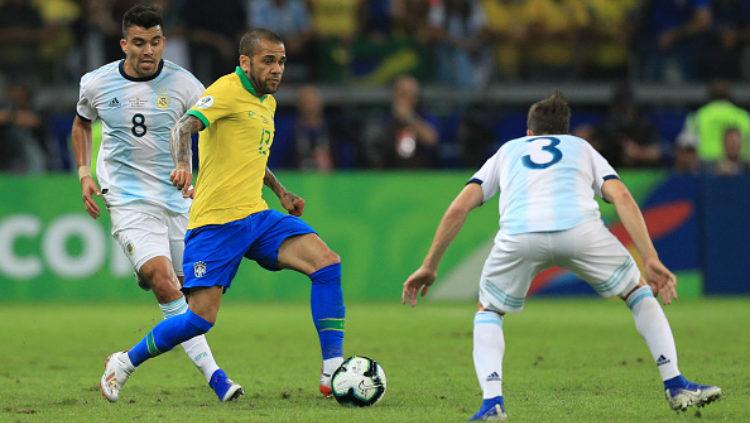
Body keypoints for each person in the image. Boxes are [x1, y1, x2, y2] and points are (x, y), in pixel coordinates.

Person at [402, 91, 721, 421]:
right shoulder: (581, 148)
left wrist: (430, 265)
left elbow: (459, 207)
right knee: (637, 291)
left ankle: (492, 403)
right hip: (580, 231)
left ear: (529, 133)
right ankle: (675, 383)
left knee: (490, 311)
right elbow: (621, 195)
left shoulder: (508, 151)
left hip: (520, 235)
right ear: (566, 133)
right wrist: (650, 256)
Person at [98, 28, 346, 402]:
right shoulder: (226, 90)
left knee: (327, 265)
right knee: (200, 319)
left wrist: (281, 193)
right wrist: (183, 164)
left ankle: (333, 373)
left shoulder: (268, 103)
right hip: (216, 222)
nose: (277, 69)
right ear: (245, 61)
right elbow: (185, 126)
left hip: (258, 217)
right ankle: (123, 362)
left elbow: (251, 157)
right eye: (268, 61)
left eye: (281, 62)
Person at [71, 4, 241, 402]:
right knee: (167, 286)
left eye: (156, 42)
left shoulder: (186, 85)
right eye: (140, 43)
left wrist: (197, 171)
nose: (149, 51)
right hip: (129, 200)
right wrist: (83, 172)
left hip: (179, 201)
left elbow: (214, 133)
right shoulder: (96, 84)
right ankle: (217, 378)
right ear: (124, 44)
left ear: (164, 41)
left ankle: (147, 271)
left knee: (197, 297)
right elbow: (81, 121)